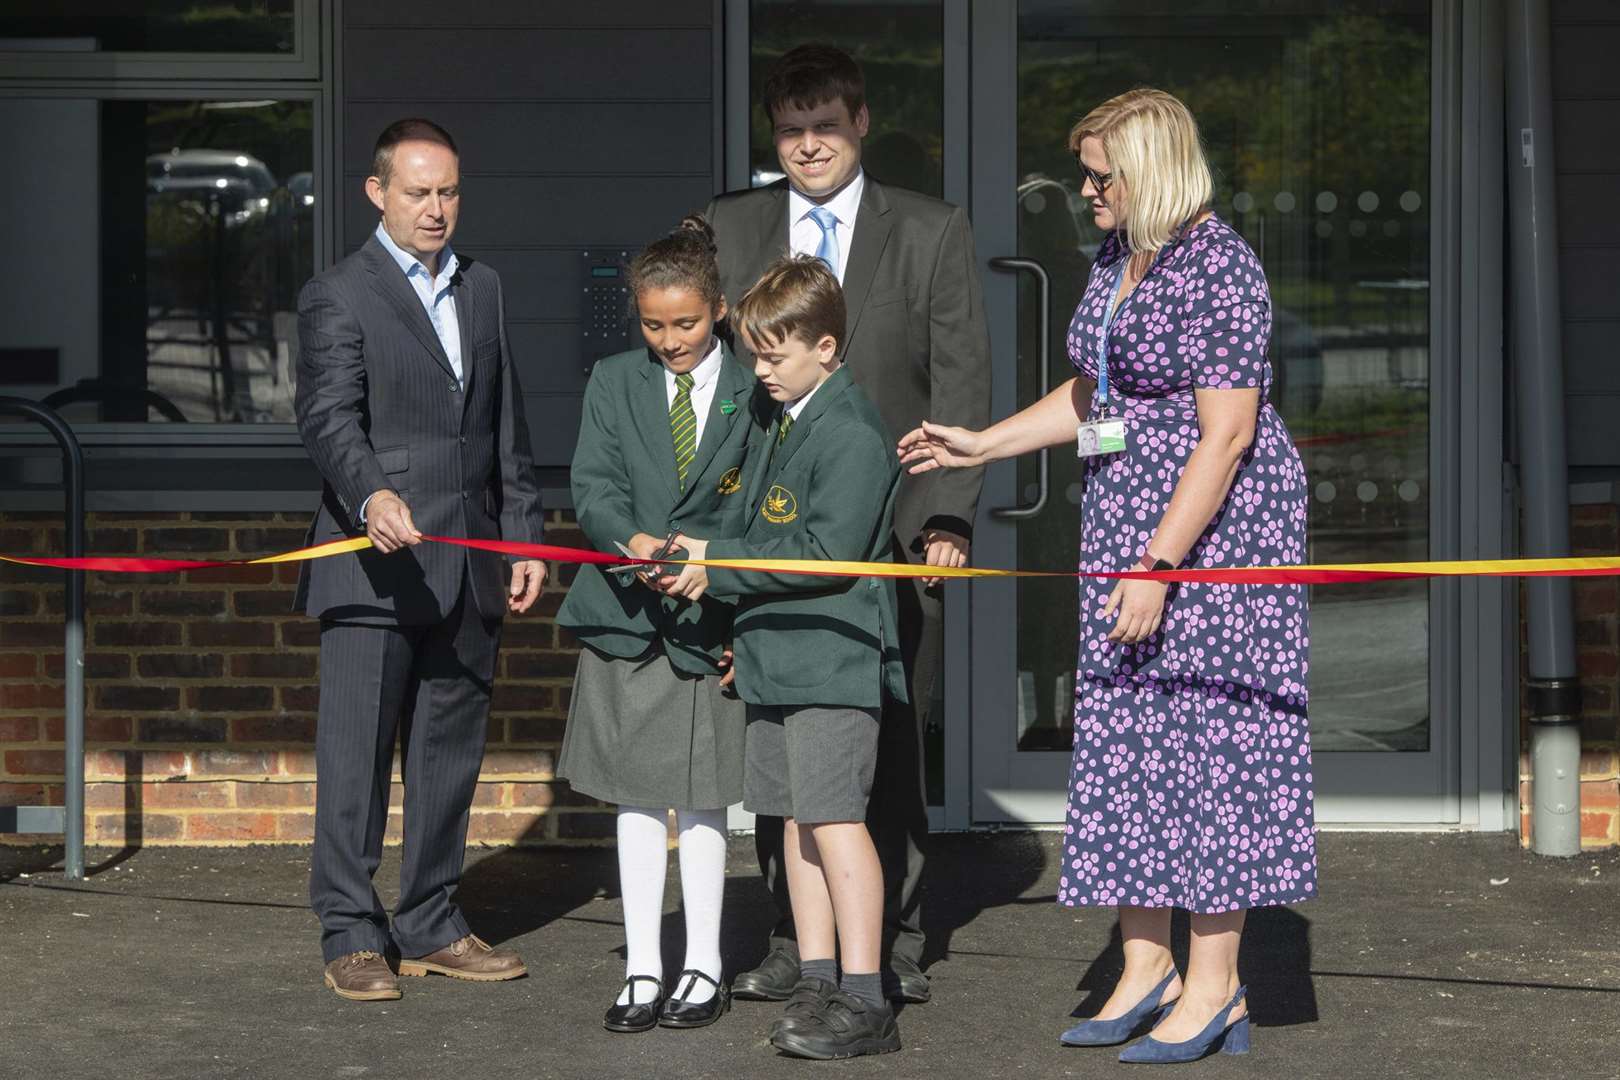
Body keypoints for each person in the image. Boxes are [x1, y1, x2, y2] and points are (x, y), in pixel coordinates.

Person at [899, 88, 1314, 1063]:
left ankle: (1215, 987)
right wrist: (982, 442)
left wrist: (1160, 566)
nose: (1084, 191)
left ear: (1153, 171)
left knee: (1209, 753)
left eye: (1100, 175)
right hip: (1129, 527)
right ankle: (1145, 966)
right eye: (1086, 173)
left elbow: (1228, 436)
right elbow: (1097, 393)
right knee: (1131, 744)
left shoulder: (1223, 268)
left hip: (1210, 543)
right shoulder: (1120, 257)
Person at [706, 41, 991, 1006]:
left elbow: (959, 376)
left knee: (890, 736)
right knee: (781, 737)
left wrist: (950, 514)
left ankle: (895, 934)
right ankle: (796, 938)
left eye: (825, 126)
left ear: (860, 124)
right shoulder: (729, 224)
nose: (808, 144)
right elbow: (701, 383)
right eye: (790, 130)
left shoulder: (930, 228)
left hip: (900, 527)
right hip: (769, 532)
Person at [294, 118, 546, 1002]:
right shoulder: (338, 293)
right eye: (417, 192)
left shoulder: (483, 288)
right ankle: (352, 933)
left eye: (448, 193)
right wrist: (371, 495)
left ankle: (433, 922)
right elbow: (328, 416)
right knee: (356, 761)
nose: (436, 209)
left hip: (468, 560)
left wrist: (519, 530)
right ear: (377, 194)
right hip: (375, 562)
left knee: (449, 759)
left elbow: (501, 424)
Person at [663, 255, 906, 1060]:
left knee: (838, 824)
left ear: (826, 349)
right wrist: (729, 598)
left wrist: (718, 563)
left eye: (774, 354)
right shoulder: (786, 418)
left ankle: (867, 998)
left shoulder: (851, 430)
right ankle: (818, 972)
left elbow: (824, 552)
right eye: (755, 353)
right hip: (777, 656)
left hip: (830, 659)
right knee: (796, 824)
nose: (759, 370)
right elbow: (766, 534)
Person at [555, 215, 764, 1034]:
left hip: (711, 617)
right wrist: (630, 540)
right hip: (627, 618)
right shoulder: (612, 380)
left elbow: (760, 507)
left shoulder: (758, 389)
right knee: (635, 801)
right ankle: (643, 967)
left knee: (707, 800)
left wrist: (731, 591)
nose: (669, 341)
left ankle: (705, 964)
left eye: (684, 323)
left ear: (718, 309)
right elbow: (595, 486)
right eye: (652, 324)